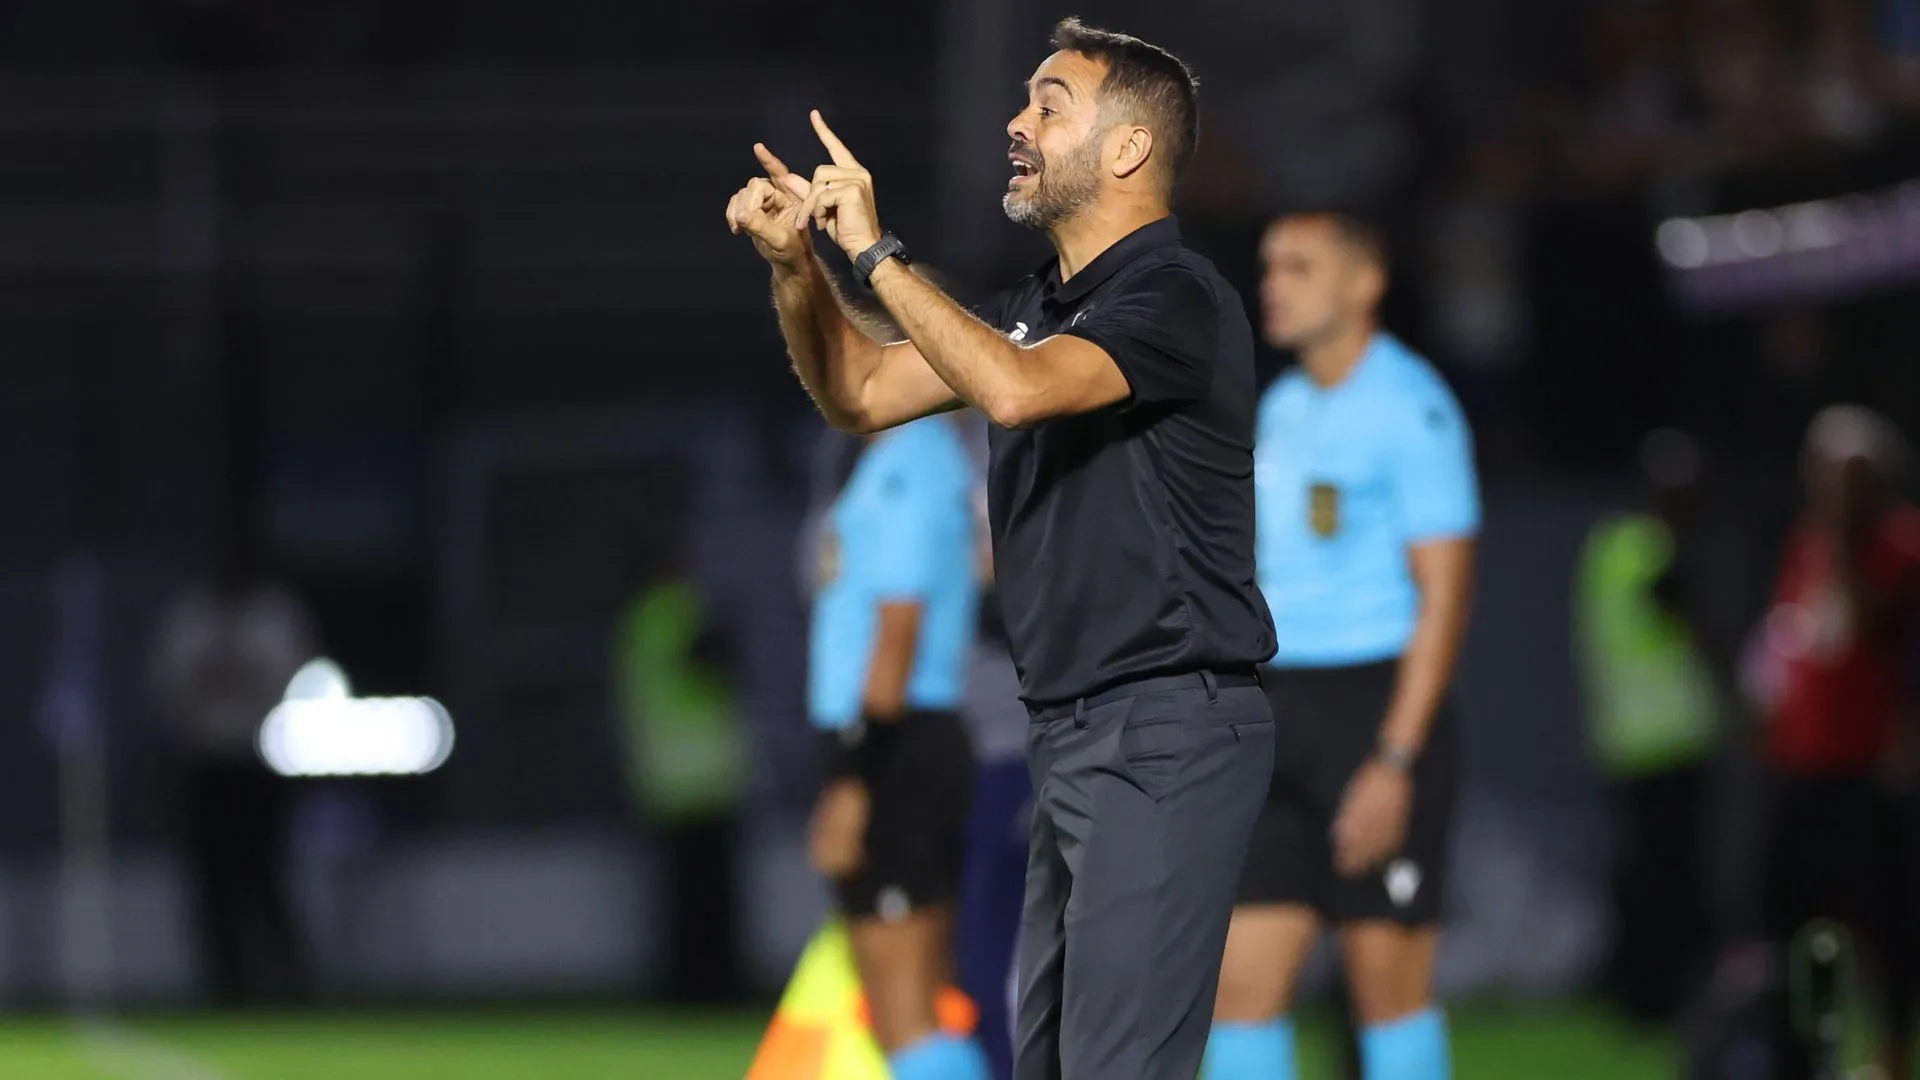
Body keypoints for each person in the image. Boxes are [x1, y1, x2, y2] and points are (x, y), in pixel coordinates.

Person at [726, 17, 1277, 1080]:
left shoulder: (1172, 294)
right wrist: (799, 265)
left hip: (1165, 721)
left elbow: (1017, 394)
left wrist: (876, 252)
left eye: (1048, 105)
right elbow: (861, 391)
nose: (1016, 124)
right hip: (1073, 729)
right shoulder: (1035, 308)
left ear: (1127, 149)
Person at [1206, 213, 1478, 1080]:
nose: (1273, 284)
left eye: (1299, 266)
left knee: (1384, 988)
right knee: (1239, 990)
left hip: (1375, 708)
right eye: (1268, 265)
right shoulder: (1282, 406)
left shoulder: (1412, 406)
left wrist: (1395, 759)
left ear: (1365, 284)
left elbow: (1446, 599)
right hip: (1278, 709)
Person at [802, 410, 990, 1080]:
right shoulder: (911, 458)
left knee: (903, 1011)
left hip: (894, 743)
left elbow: (897, 633)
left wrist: (854, 779)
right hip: (908, 738)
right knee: (917, 1006)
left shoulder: (908, 463)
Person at [1744, 405, 1920, 1079]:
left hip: (1869, 771)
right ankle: (1807, 1054)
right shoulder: (1806, 542)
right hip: (1801, 766)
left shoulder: (1897, 545)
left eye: (1846, 474)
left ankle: (1893, 1051)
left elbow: (1878, 624)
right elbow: (1789, 640)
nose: (1829, 487)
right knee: (1797, 928)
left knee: (1883, 924)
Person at [1573, 429, 1722, 1025]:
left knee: (1642, 878)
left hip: (1625, 741)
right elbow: (1688, 621)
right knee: (1672, 881)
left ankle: (1640, 992)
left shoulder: (1608, 548)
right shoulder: (1659, 552)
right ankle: (1665, 995)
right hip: (1672, 741)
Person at [148, 540, 318, 1006]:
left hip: (261, 761)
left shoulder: (274, 615)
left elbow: (287, 677)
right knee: (211, 879)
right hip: (206, 763)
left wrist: (236, 678)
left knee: (263, 872)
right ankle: (225, 983)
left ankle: (287, 978)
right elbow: (171, 682)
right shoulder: (192, 616)